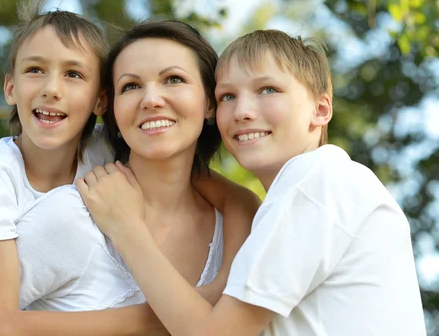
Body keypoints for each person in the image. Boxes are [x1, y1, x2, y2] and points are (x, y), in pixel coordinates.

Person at [0, 13, 259, 335]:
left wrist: (227, 277)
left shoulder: (241, 226)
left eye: (174, 79)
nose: (151, 100)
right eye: (131, 85)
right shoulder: (27, 199)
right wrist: (178, 312)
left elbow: (236, 195)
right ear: (114, 105)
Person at [78, 29, 427, 336]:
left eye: (268, 90)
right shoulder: (308, 190)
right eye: (227, 96)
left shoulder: (316, 181)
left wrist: (126, 228)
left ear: (320, 110)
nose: (242, 110)